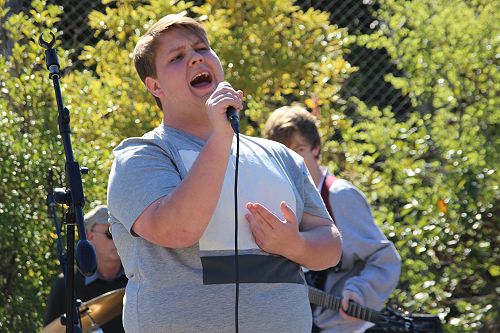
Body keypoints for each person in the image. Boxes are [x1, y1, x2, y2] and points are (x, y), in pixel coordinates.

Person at [106, 13, 342, 333]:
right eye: (177, 57)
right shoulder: (141, 156)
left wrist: (293, 245)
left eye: (201, 49)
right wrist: (220, 139)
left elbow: (330, 246)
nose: (194, 58)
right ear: (155, 86)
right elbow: (177, 231)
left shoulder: (280, 156)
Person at [264, 105, 402, 333]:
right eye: (284, 154)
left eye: (299, 150)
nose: (293, 162)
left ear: (316, 149)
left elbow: (385, 259)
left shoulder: (339, 196)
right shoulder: (278, 202)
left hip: (345, 327)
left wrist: (359, 292)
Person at [43, 205, 127, 332]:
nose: (117, 239)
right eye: (110, 233)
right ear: (90, 237)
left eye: (121, 232)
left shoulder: (136, 278)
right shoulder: (66, 284)